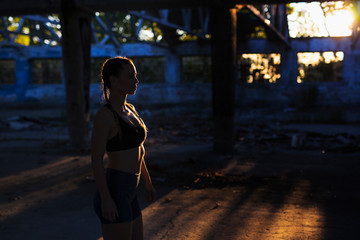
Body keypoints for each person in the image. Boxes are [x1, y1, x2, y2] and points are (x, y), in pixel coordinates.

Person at [92, 56, 156, 240]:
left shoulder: (130, 109)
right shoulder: (105, 116)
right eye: (130, 76)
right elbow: (96, 161)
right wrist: (106, 199)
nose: (136, 81)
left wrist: (147, 181)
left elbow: (139, 150)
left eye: (135, 76)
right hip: (115, 189)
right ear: (113, 80)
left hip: (131, 189)